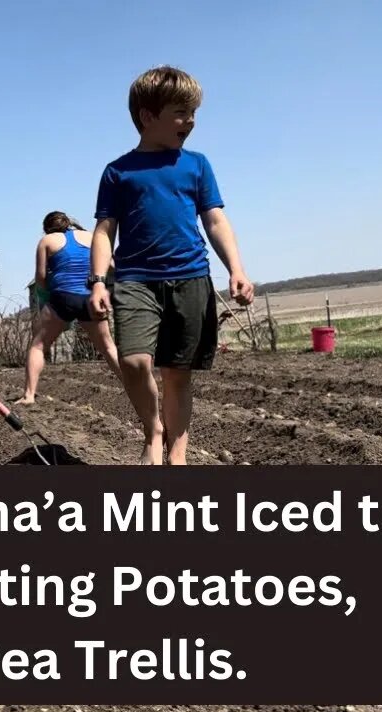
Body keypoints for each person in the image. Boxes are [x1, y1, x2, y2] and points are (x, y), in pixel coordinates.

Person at [86, 65, 255, 465]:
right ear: (148, 116)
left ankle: (176, 450)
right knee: (133, 360)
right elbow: (104, 230)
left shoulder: (196, 165)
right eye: (181, 112)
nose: (190, 121)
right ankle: (153, 430)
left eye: (193, 112)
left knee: (177, 374)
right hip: (135, 280)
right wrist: (97, 281)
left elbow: (214, 219)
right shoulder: (118, 172)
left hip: (190, 277)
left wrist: (236, 268)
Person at [16, 211, 122, 405]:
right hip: (90, 297)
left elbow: (40, 278)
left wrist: (47, 297)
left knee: (39, 345)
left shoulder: (47, 241)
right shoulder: (91, 236)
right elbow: (112, 265)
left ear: (46, 228)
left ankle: (29, 395)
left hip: (62, 298)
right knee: (108, 347)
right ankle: (132, 385)